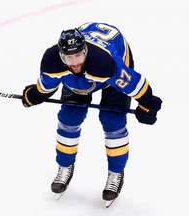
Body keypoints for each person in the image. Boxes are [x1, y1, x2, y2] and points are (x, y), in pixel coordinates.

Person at [21, 22, 162, 203]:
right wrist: (34, 95)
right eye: (69, 58)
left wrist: (148, 104)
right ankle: (64, 166)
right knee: (69, 118)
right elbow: (45, 88)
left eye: (79, 56)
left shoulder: (105, 64)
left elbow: (136, 85)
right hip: (87, 75)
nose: (75, 63)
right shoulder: (51, 61)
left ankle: (116, 172)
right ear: (61, 55)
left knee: (112, 120)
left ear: (85, 51)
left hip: (113, 51)